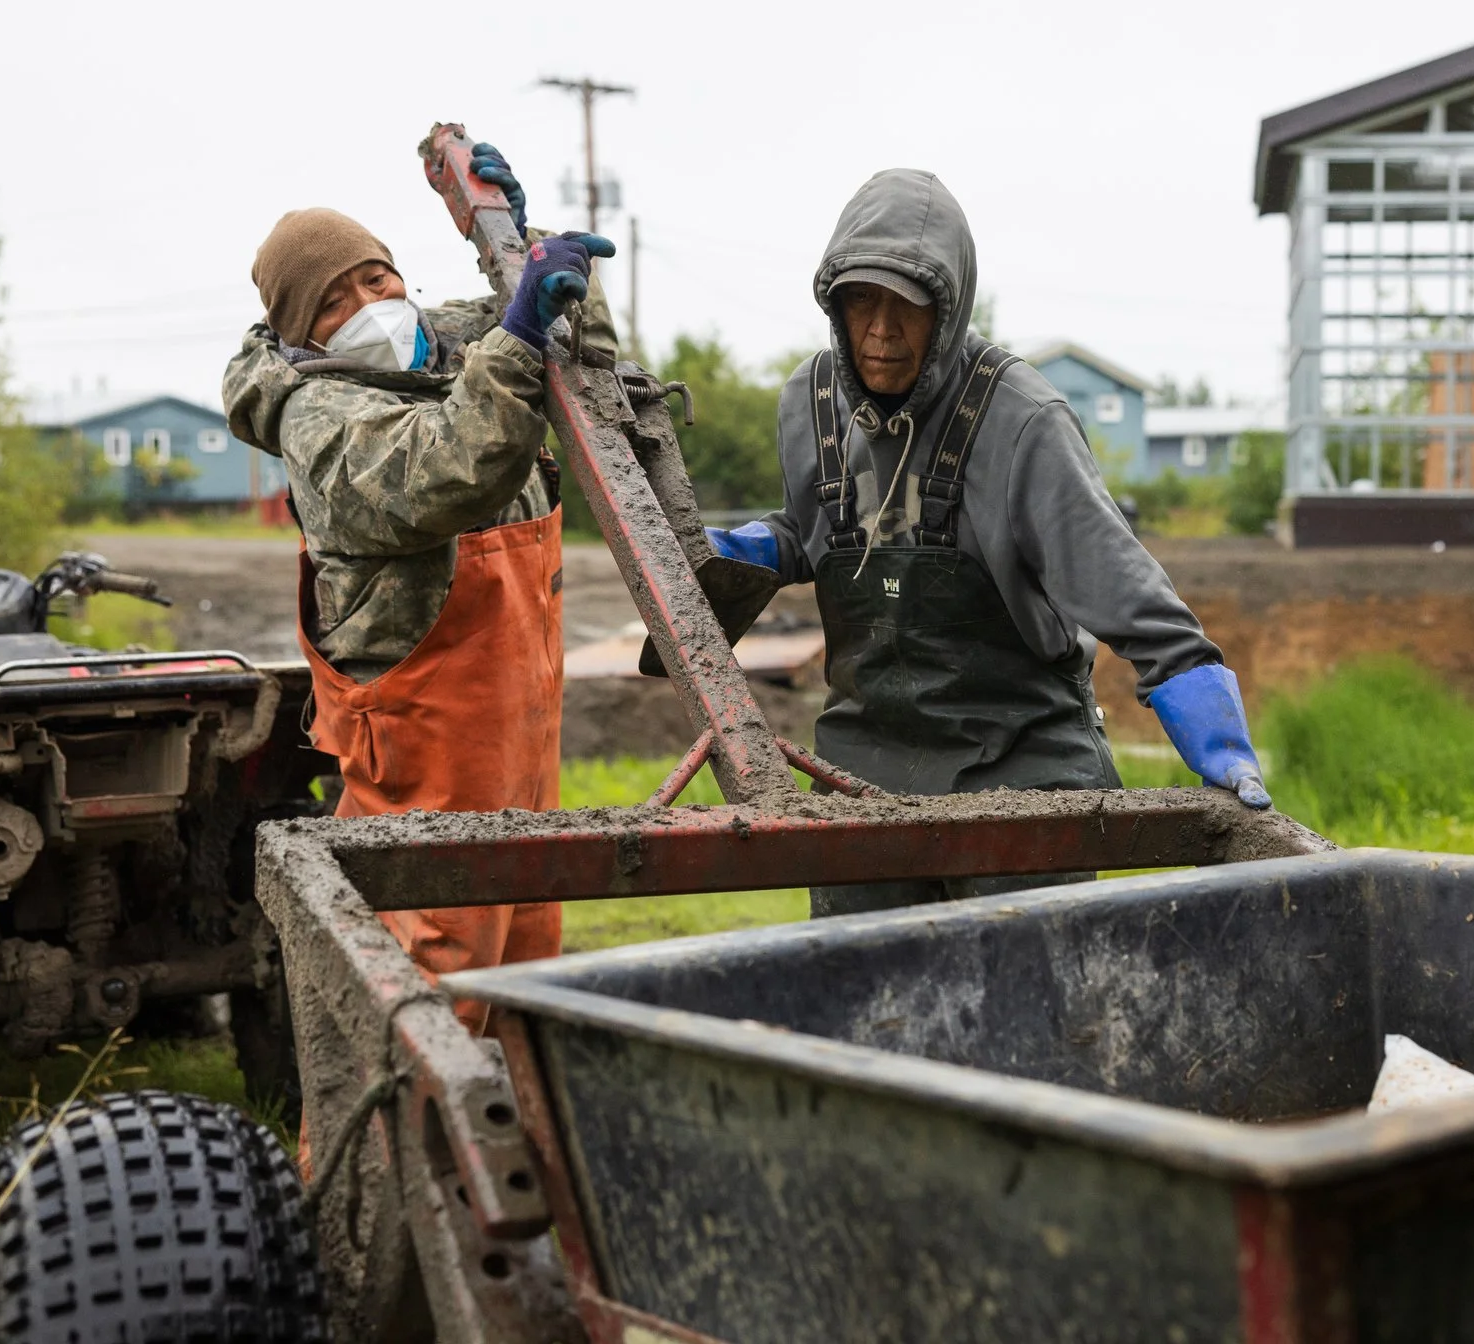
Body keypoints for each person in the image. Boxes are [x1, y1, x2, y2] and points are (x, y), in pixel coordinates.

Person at [704, 169, 1270, 917]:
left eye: (904, 303)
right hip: (863, 777)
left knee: (1023, 1006)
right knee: (864, 1001)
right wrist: (758, 550)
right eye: (860, 301)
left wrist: (1219, 743)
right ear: (833, 304)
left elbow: (1125, 590)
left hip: (1019, 775)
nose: (880, 329)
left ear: (948, 306)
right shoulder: (807, 405)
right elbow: (820, 527)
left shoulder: (1022, 421)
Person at [222, 145, 615, 1031]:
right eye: (334, 300)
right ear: (300, 332)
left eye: (376, 278)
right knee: (427, 984)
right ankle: (376, 1168)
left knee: (521, 978)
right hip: (427, 756)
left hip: (517, 743)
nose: (369, 307)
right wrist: (517, 332)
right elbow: (443, 472)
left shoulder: (451, 350)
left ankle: (507, 1165)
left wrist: (518, 241)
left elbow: (580, 353)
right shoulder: (320, 417)